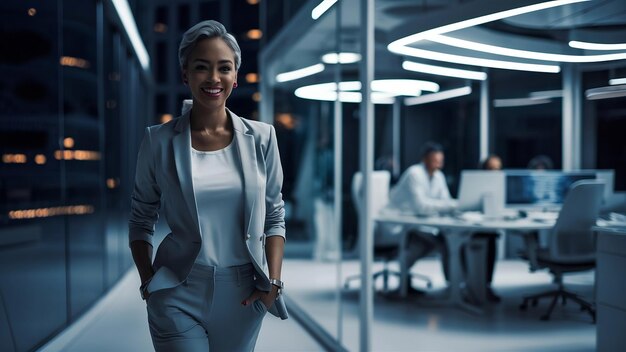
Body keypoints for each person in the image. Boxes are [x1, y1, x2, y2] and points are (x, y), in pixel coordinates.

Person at [128, 20, 287, 351]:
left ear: (235, 76)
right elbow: (142, 217)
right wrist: (148, 282)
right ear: (185, 74)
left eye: (224, 68)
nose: (214, 78)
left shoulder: (262, 137)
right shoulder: (158, 140)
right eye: (202, 68)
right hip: (177, 290)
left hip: (245, 294)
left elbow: (274, 216)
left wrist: (272, 283)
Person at [382, 142, 457, 292]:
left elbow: (446, 202)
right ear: (424, 160)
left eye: (440, 161)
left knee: (439, 240)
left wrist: (453, 207)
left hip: (419, 223)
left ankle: (452, 285)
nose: (438, 165)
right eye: (434, 161)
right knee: (441, 242)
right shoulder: (414, 174)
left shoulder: (438, 176)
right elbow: (421, 207)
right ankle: (452, 286)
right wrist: (451, 205)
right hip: (396, 223)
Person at [460, 154, 504, 303]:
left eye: (498, 169)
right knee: (482, 238)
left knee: (491, 238)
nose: (495, 172)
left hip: (489, 226)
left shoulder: (499, 186)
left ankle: (485, 285)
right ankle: (471, 286)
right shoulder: (475, 185)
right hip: (470, 226)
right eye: (491, 168)